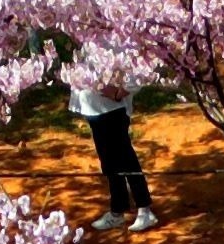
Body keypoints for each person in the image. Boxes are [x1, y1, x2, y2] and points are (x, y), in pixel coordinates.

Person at [68, 80, 158, 233]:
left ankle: (144, 209)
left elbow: (138, 74)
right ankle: (118, 210)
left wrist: (119, 92)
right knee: (109, 163)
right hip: (93, 108)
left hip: (112, 109)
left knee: (126, 160)